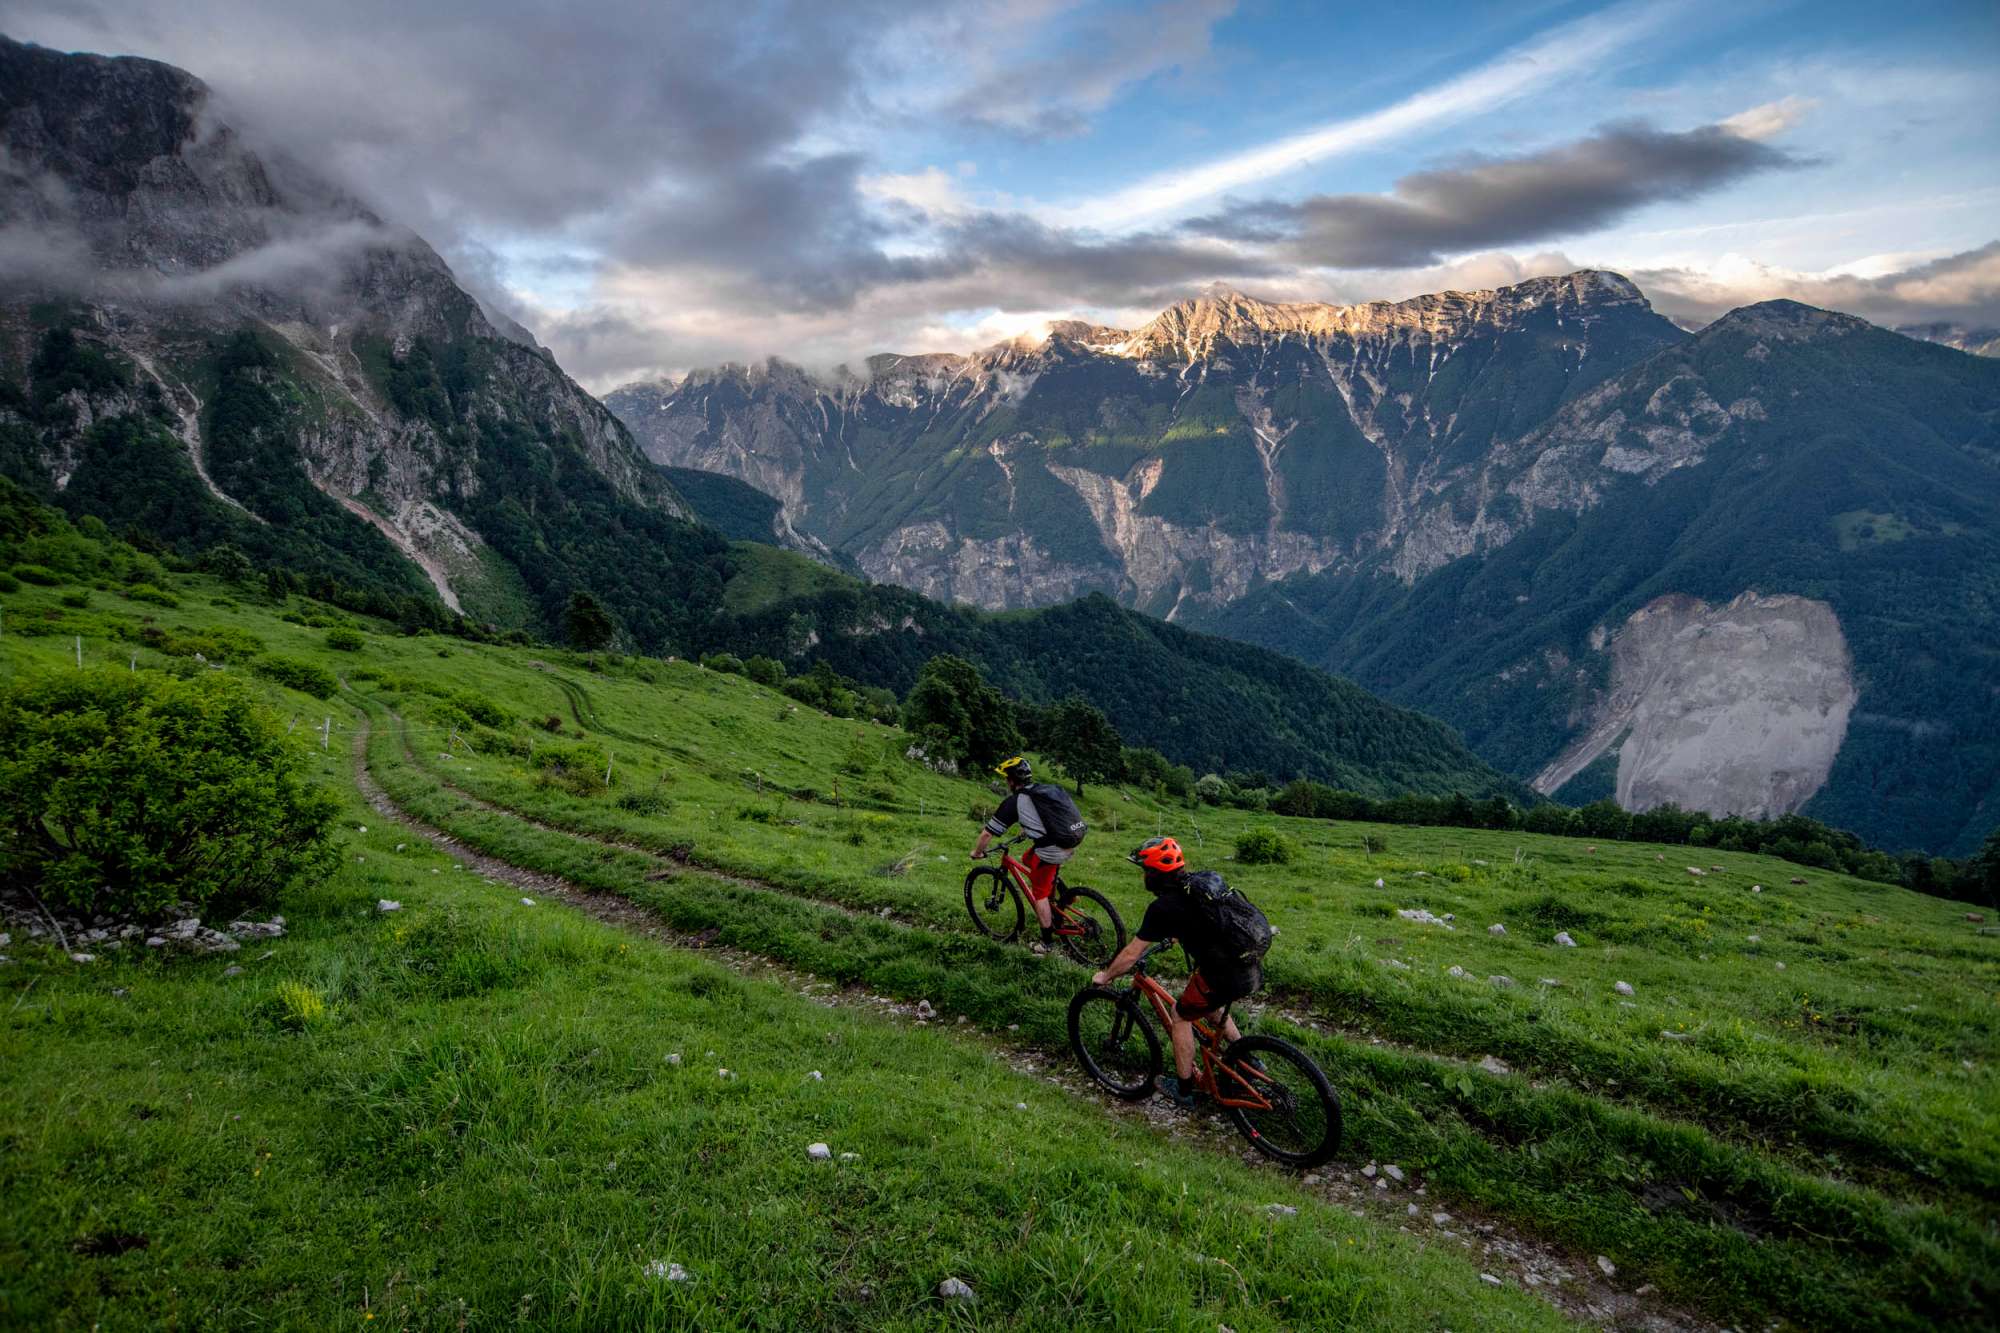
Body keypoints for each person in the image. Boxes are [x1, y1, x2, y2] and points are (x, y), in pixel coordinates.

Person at [1091, 836, 1268, 1109]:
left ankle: (1184, 1089)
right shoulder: (1201, 884)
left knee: (1181, 1015)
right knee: (1209, 1002)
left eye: (1144, 872)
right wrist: (1174, 934)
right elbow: (1203, 920)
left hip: (1222, 973)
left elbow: (1131, 954)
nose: (1143, 878)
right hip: (1249, 966)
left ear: (1154, 874)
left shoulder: (1161, 907)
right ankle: (1246, 1058)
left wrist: (1106, 976)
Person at [970, 755, 1088, 946]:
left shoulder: (1014, 801)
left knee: (1039, 895)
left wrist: (977, 853)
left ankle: (1047, 944)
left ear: (1010, 780)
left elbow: (987, 835)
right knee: (1027, 858)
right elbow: (1042, 816)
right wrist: (1027, 830)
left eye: (1006, 779)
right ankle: (1062, 894)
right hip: (1072, 838)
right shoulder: (1042, 790)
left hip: (1052, 848)